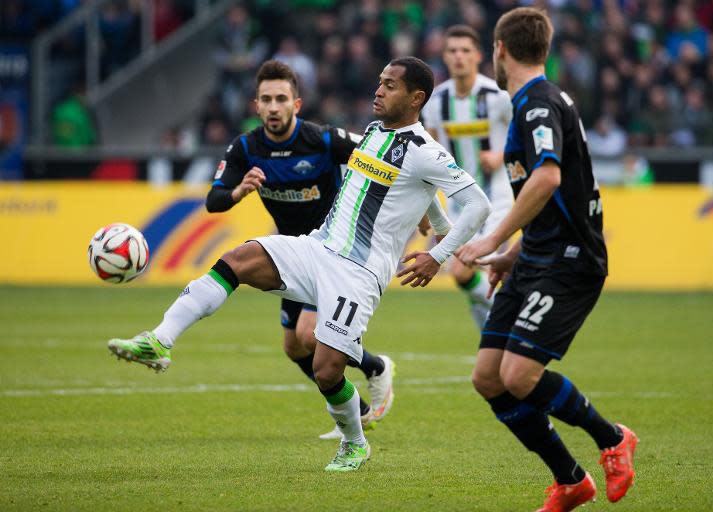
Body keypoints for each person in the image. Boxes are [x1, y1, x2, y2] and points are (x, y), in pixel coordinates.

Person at [108, 56, 491, 472]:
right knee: (238, 260)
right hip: (316, 248)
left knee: (327, 371)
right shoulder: (375, 132)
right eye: (379, 82)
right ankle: (159, 339)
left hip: (357, 273)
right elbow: (424, 195)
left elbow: (478, 205)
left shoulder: (424, 151)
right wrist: (431, 218)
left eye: (390, 86)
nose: (378, 91)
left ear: (416, 98)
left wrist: (437, 254)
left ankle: (354, 443)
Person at [455, 8, 638, 512]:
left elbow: (548, 178)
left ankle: (612, 438)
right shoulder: (535, 102)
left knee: (518, 377)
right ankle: (571, 480)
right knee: (488, 378)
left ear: (498, 50)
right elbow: (553, 198)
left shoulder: (537, 105)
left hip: (569, 261)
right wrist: (513, 254)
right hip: (537, 255)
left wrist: (492, 238)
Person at [204, 60, 395, 440]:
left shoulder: (322, 139)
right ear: (255, 106)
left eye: (281, 99)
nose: (274, 107)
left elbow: (379, 157)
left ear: (297, 103)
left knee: (310, 334)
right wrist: (239, 191)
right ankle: (357, 408)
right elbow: (213, 200)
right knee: (293, 347)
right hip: (291, 252)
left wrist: (418, 207)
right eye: (266, 100)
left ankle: (374, 368)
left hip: (334, 249)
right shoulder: (245, 147)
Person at [421, 25, 513, 330]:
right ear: (444, 57)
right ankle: (496, 334)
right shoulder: (437, 103)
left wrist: (500, 156)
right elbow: (431, 152)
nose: (459, 56)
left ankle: (506, 319)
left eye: (465, 50)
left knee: (462, 272)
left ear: (477, 55)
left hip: (497, 198)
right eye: (452, 51)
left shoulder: (498, 96)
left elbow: (523, 138)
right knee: (470, 275)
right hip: (459, 202)